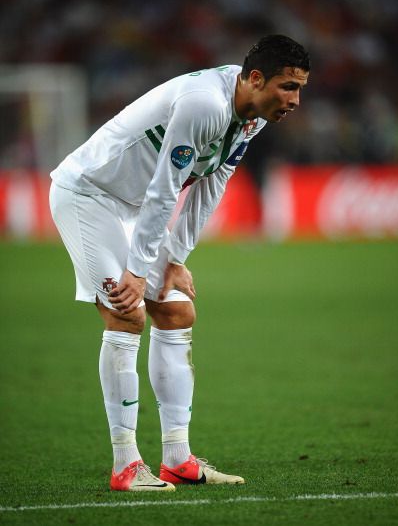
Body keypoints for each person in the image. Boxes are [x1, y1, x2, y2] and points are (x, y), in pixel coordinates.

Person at [49, 34, 310, 492]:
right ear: (254, 78)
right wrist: (136, 268)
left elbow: (215, 178)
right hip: (87, 195)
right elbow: (165, 189)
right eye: (287, 87)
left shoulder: (255, 115)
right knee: (125, 313)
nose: (294, 99)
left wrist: (175, 259)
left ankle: (177, 458)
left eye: (300, 88)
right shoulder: (203, 104)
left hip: (128, 208)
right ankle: (126, 466)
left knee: (176, 310)